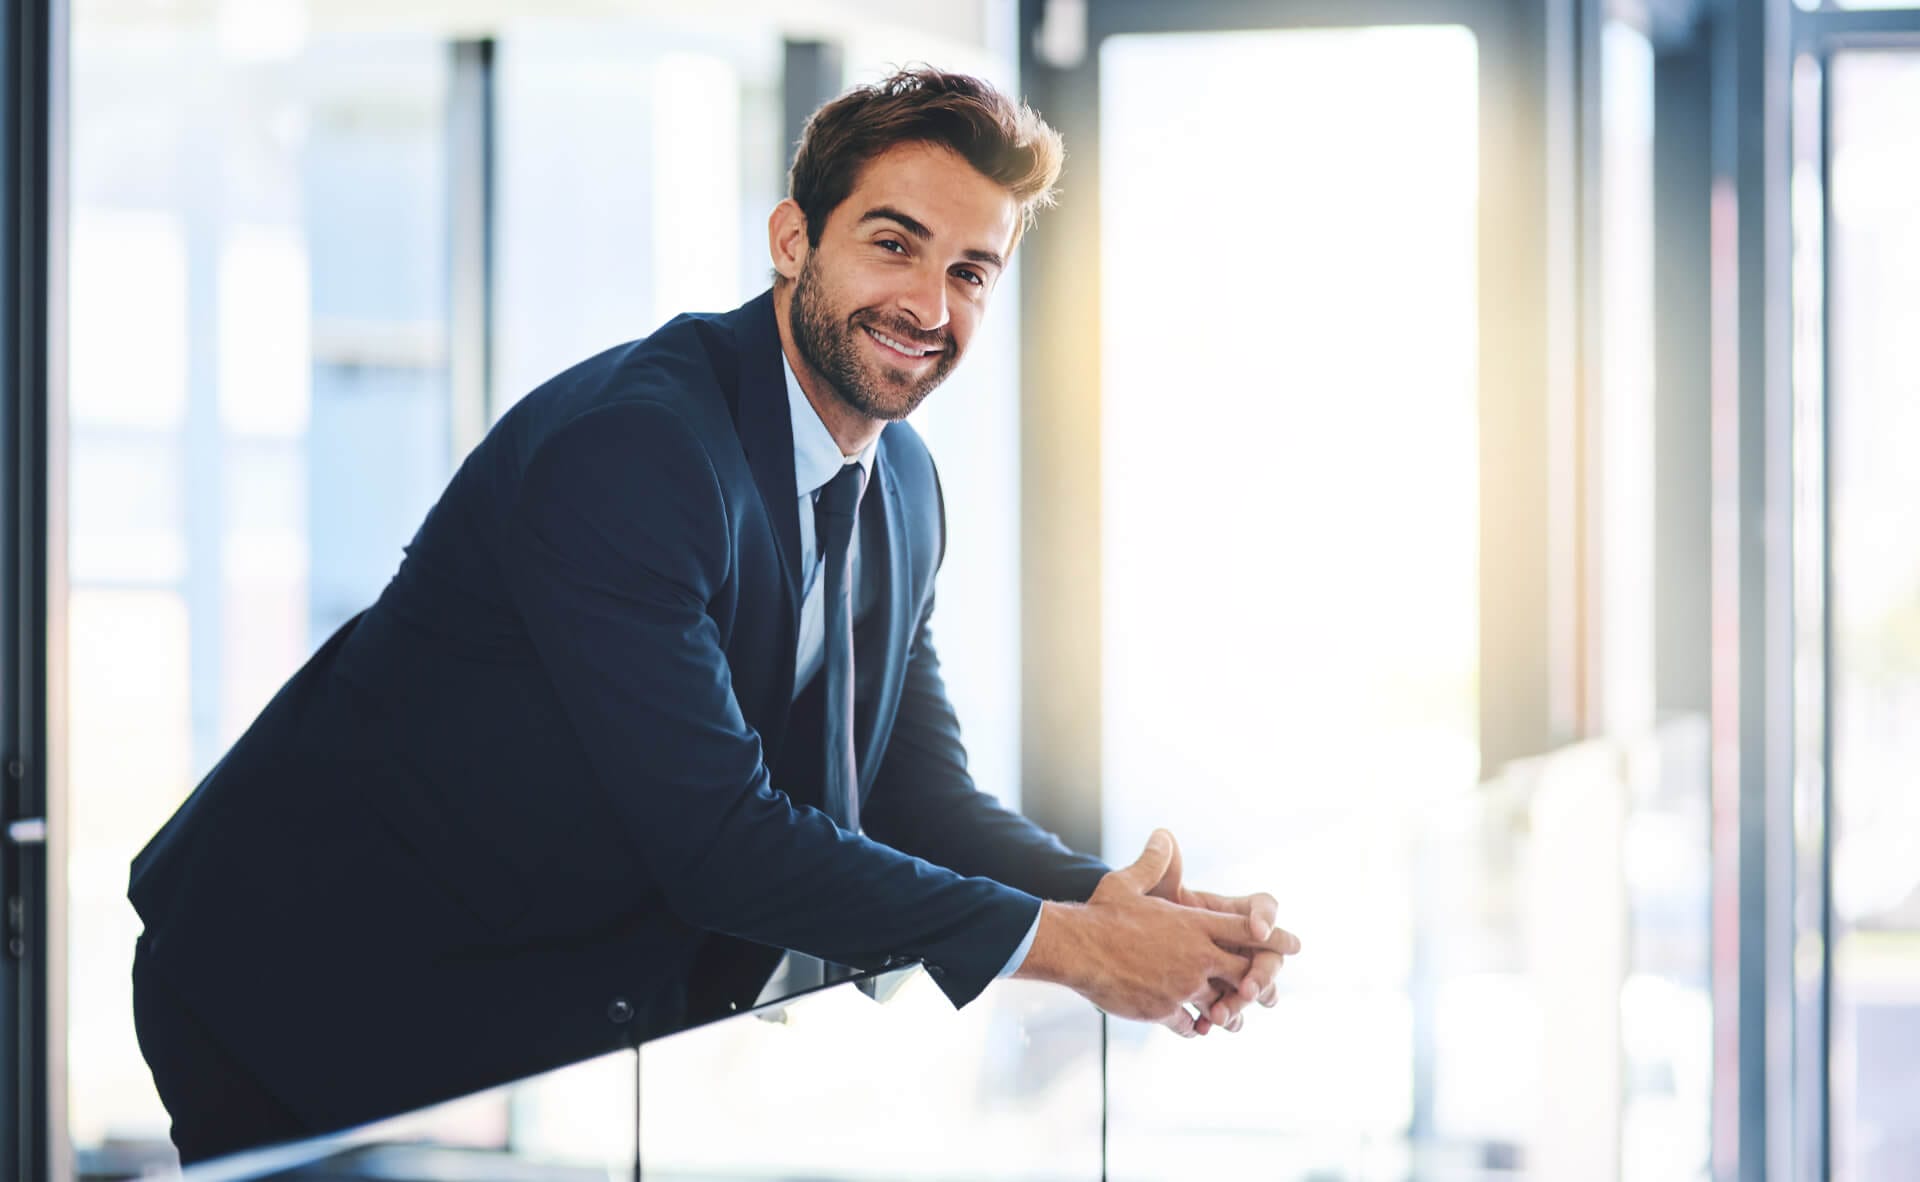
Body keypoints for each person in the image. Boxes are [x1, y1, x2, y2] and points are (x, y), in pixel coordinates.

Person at [128, 66, 1300, 1164]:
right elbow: (719, 843)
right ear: (795, 240)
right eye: (895, 243)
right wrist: (1079, 953)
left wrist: (1121, 907)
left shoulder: (900, 484)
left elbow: (912, 792)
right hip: (307, 980)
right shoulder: (636, 453)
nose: (928, 302)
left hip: (535, 1005)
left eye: (970, 271)